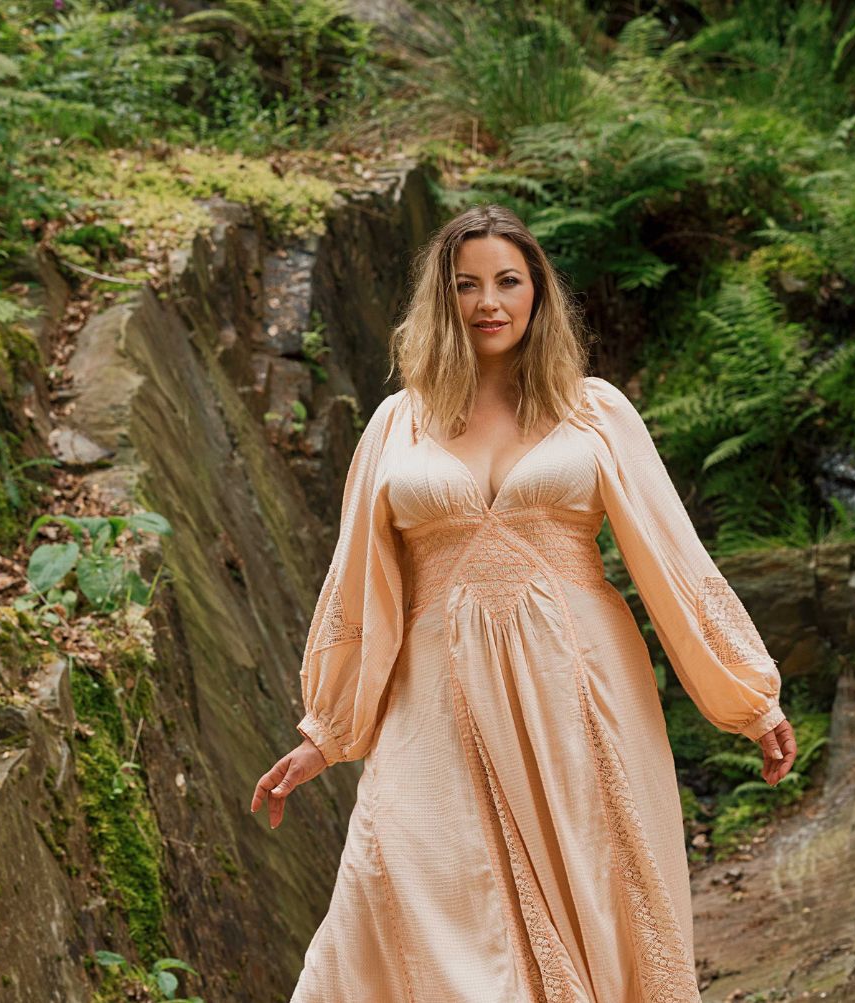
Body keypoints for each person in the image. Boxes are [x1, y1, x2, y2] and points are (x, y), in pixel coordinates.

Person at [251, 203, 797, 1001]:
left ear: (538, 292)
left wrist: (750, 698)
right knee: (396, 870)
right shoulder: (395, 426)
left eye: (508, 280)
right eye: (466, 285)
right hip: (435, 702)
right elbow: (360, 584)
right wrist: (326, 733)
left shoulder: (595, 410)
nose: (488, 302)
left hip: (579, 694)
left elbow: (673, 561)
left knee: (602, 904)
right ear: (443, 300)